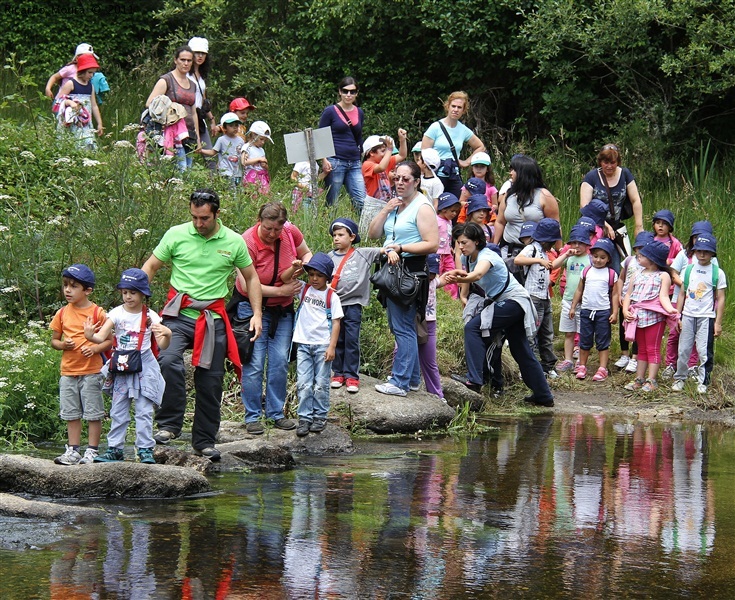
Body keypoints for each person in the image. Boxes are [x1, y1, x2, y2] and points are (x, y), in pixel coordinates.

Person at [142, 189, 263, 460]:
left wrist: (257, 314)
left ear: (216, 214)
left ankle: (204, 440)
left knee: (210, 380)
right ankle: (169, 425)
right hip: (178, 314)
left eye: (204, 218)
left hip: (213, 318)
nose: (199, 223)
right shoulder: (176, 234)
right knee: (168, 360)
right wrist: (137, 303)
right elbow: (150, 266)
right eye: (194, 217)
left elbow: (251, 278)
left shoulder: (233, 241)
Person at [446, 223, 554, 407]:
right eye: (458, 243)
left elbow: (478, 274)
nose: (461, 246)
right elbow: (467, 274)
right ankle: (543, 395)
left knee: (473, 329)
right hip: (510, 302)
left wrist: (456, 277)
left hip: (514, 301)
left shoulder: (487, 255)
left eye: (464, 242)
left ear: (477, 241)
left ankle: (474, 380)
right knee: (520, 349)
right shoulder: (468, 258)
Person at [237, 202, 313, 434]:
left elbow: (307, 252)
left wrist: (305, 266)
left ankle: (276, 413)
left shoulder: (290, 232)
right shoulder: (247, 241)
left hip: (283, 310)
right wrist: (281, 291)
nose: (271, 234)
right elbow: (245, 284)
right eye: (267, 228)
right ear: (259, 221)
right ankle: (252, 416)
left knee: (279, 361)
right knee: (254, 363)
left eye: (276, 230)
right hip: (251, 308)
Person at [83, 269, 171, 464]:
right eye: (124, 292)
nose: (128, 296)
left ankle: (145, 449)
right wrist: (90, 336)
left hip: (144, 364)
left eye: (133, 292)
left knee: (144, 410)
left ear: (143, 293)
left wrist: (168, 334)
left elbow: (163, 346)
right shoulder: (116, 313)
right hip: (121, 365)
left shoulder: (151, 316)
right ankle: (115, 449)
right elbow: (101, 336)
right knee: (118, 409)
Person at [368, 161, 439, 396]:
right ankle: (412, 379)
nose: (399, 183)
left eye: (405, 179)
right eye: (396, 178)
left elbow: (432, 244)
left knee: (403, 327)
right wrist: (385, 210)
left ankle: (399, 382)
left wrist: (400, 247)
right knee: (400, 324)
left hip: (410, 271)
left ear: (416, 181)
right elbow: (373, 234)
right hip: (392, 269)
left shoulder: (422, 207)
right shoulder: (397, 205)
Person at [50, 264, 112, 465]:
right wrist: (63, 345)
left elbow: (109, 341)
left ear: (87, 290)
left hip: (92, 371)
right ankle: (73, 450)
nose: (67, 290)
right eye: (65, 285)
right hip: (68, 371)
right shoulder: (62, 313)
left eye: (73, 286)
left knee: (93, 413)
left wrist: (94, 349)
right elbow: (54, 341)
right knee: (71, 413)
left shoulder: (98, 313)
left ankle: (92, 450)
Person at [327, 218, 386, 393]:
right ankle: (338, 372)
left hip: (354, 304)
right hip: (335, 304)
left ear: (352, 237)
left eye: (340, 235)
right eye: (334, 235)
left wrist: (389, 252)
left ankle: (352, 376)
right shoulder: (329, 257)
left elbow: (382, 251)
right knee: (337, 338)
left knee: (352, 339)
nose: (336, 238)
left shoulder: (362, 253)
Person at [293, 253, 343, 437]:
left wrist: (332, 347)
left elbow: (336, 322)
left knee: (321, 383)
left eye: (319, 275)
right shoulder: (304, 289)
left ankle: (320, 416)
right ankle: (304, 418)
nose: (314, 279)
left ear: (327, 277)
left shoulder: (332, 296)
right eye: (311, 274)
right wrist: (298, 267)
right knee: (304, 383)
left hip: (322, 344)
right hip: (304, 344)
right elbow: (289, 279)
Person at [672, 234, 726, 395]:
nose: (702, 255)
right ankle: (680, 377)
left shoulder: (717, 273)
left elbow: (721, 298)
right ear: (694, 252)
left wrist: (718, 322)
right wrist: (678, 315)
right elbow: (682, 293)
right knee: (683, 349)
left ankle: (704, 381)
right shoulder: (688, 270)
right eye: (699, 251)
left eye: (706, 252)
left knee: (704, 350)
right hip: (687, 315)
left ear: (712, 254)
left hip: (706, 317)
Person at [622, 241, 678, 392]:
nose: (638, 256)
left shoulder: (663, 275)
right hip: (637, 317)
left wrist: (670, 310)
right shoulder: (636, 274)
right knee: (641, 349)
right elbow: (628, 294)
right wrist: (625, 310)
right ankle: (639, 379)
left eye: (643, 255)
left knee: (652, 348)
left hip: (654, 318)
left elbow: (664, 296)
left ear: (653, 259)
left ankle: (651, 380)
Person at [494, 155, 561, 279]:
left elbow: (555, 224)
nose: (510, 173)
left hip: (535, 252)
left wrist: (558, 250)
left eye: (513, 170)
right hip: (508, 248)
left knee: (532, 288)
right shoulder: (508, 195)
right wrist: (494, 246)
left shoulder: (544, 196)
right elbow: (500, 222)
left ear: (523, 173)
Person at [663, 221, 714, 377]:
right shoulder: (684, 255)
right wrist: (683, 283)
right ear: (691, 239)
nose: (698, 241)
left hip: (700, 302)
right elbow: (673, 271)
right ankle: (671, 363)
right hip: (680, 296)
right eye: (696, 237)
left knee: (694, 335)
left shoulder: (712, 260)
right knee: (675, 332)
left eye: (703, 237)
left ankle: (691, 365)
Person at [514, 218, 562, 379]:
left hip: (545, 297)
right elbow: (518, 260)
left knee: (547, 334)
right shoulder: (532, 249)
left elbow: (552, 266)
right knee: (531, 334)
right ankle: (528, 366)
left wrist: (567, 254)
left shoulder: (544, 252)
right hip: (533, 297)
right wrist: (538, 260)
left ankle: (548, 365)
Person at [579, 143, 644, 254]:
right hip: (595, 229)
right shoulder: (591, 177)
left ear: (618, 162)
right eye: (606, 163)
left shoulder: (625, 174)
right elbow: (585, 207)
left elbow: (636, 200)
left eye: (612, 163)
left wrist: (639, 226)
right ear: (600, 162)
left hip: (616, 229)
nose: (609, 166)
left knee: (615, 264)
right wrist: (605, 225)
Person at [569, 238, 619, 382]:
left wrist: (614, 312)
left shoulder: (611, 274)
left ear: (608, 258)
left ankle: (602, 368)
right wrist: (573, 306)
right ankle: (582, 365)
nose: (598, 260)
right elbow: (579, 290)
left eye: (602, 257)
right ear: (591, 256)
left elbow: (615, 294)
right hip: (586, 310)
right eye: (595, 256)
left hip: (602, 312)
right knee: (585, 340)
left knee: (603, 341)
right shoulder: (586, 272)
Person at [421, 91, 485, 197]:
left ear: (463, 110)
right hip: (434, 173)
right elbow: (424, 153)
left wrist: (466, 162)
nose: (455, 110)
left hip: (453, 174)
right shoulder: (435, 127)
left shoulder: (463, 130)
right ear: (448, 106)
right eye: (453, 106)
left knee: (456, 204)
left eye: (459, 107)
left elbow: (480, 147)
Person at [145, 46, 200, 170]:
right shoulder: (166, 80)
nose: (186, 63)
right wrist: (171, 110)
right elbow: (150, 103)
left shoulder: (193, 85)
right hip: (171, 134)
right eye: (182, 59)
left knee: (188, 172)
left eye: (189, 60)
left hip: (189, 134)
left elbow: (194, 112)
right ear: (176, 60)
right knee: (178, 171)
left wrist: (198, 137)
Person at [319, 77, 366, 210]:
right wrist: (324, 159)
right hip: (335, 161)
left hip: (354, 161)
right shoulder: (330, 111)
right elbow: (320, 137)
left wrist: (361, 155)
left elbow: (358, 136)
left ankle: (363, 230)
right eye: (345, 91)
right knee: (332, 202)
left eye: (352, 92)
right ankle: (330, 228)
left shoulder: (359, 112)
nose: (348, 95)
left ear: (357, 93)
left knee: (361, 201)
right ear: (340, 92)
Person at [551, 225, 592, 373]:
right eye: (573, 242)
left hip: (584, 301)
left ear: (587, 244)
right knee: (568, 332)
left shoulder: (590, 260)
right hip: (568, 299)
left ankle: (581, 361)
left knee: (582, 333)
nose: (576, 246)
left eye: (580, 243)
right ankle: (568, 359)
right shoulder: (569, 258)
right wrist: (566, 254)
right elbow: (554, 265)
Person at [615, 231, 655, 373]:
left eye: (644, 248)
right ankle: (624, 354)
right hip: (626, 299)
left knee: (638, 329)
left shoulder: (650, 265)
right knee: (623, 326)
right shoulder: (629, 261)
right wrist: (619, 294)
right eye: (638, 248)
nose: (640, 252)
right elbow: (621, 278)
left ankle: (635, 357)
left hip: (639, 302)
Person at [52, 53, 103, 150]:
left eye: (93, 73)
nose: (91, 76)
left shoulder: (90, 86)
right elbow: (59, 100)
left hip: (85, 123)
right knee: (72, 144)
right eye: (89, 72)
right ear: (82, 71)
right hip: (71, 122)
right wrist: (70, 103)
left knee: (87, 144)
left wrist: (99, 123)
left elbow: (94, 105)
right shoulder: (71, 84)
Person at [45, 43, 109, 105]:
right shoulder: (70, 69)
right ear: (77, 58)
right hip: (61, 102)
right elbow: (55, 77)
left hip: (77, 104)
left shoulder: (88, 72)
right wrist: (48, 88)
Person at [187, 37, 216, 168]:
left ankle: (215, 184)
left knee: (211, 156)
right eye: (196, 52)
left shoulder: (201, 75)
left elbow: (202, 100)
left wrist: (212, 119)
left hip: (200, 118)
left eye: (203, 53)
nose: (200, 56)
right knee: (188, 154)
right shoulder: (184, 74)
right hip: (187, 118)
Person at [199, 112, 244, 187]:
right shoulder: (221, 140)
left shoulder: (241, 140)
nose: (235, 127)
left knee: (238, 190)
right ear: (224, 128)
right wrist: (202, 150)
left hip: (237, 172)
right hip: (225, 171)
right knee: (230, 190)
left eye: (236, 125)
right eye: (231, 125)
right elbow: (213, 152)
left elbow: (243, 154)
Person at [362, 131, 408, 201]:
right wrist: (389, 149)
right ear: (371, 153)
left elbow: (402, 155)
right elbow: (381, 168)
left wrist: (402, 140)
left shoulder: (385, 162)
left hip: (385, 203)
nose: (386, 154)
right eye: (383, 151)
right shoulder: (367, 165)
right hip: (372, 204)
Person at [436, 192, 461, 299]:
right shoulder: (435, 220)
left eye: (456, 211)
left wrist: (449, 246)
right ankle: (438, 294)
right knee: (438, 273)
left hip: (447, 253)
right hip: (437, 253)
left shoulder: (449, 221)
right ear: (443, 209)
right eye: (452, 211)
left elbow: (447, 236)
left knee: (451, 272)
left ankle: (452, 296)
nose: (454, 214)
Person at [241, 120, 273, 194]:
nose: (262, 142)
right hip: (251, 176)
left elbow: (265, 164)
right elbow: (243, 162)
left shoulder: (261, 150)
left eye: (265, 140)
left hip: (262, 176)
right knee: (253, 194)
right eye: (261, 139)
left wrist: (265, 165)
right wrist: (258, 159)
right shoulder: (247, 147)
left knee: (264, 194)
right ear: (253, 135)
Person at [469, 152, 498, 217]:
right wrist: (466, 204)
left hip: (486, 216)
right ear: (472, 169)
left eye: (482, 166)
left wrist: (492, 207)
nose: (479, 169)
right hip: (470, 217)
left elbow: (495, 205)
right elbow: (461, 201)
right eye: (476, 166)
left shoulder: (491, 188)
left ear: (487, 169)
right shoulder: (467, 186)